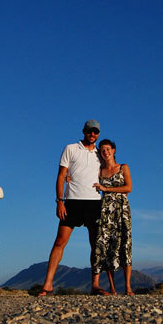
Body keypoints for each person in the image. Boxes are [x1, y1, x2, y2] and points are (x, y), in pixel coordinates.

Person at [38, 119, 107, 296]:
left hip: (93, 202)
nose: (93, 134)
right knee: (60, 242)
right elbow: (61, 176)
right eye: (90, 131)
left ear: (98, 134)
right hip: (72, 202)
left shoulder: (101, 154)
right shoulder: (70, 148)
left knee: (95, 244)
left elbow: (107, 173)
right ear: (83, 131)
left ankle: (95, 286)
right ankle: (47, 285)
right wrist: (59, 201)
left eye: (96, 132)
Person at [92, 138, 134, 295]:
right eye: (102, 150)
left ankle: (128, 287)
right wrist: (69, 178)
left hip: (122, 211)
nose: (105, 152)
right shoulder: (99, 171)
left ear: (114, 150)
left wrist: (106, 189)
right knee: (107, 246)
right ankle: (112, 287)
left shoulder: (123, 167)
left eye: (108, 149)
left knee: (125, 244)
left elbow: (129, 188)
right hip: (106, 212)